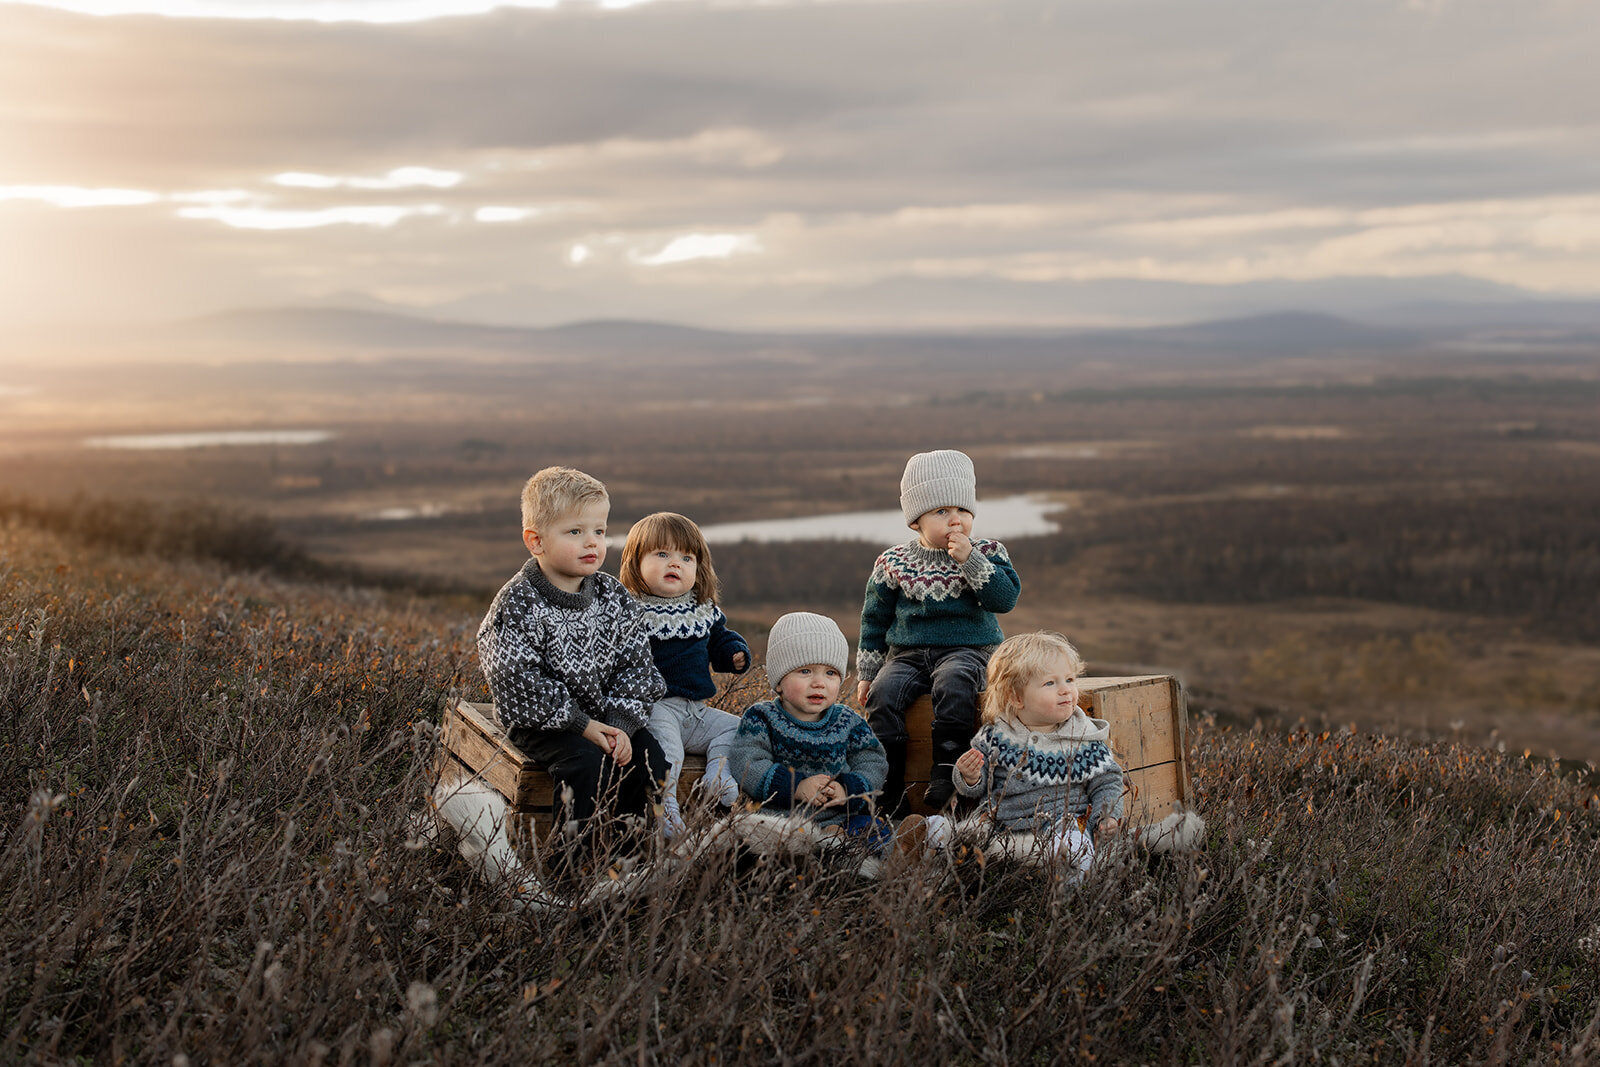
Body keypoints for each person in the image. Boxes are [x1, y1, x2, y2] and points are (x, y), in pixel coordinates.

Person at [476, 466, 667, 860]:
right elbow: (515, 680)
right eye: (575, 532)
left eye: (599, 530)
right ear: (536, 541)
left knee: (649, 759)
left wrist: (620, 726)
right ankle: (571, 866)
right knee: (586, 765)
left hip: (605, 718)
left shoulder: (613, 596)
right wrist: (582, 725)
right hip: (543, 723)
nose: (592, 542)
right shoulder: (518, 602)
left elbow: (637, 667)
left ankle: (625, 860)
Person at [856, 449, 1021, 812]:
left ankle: (947, 771)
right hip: (908, 655)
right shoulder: (893, 562)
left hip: (969, 651)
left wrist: (970, 560)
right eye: (941, 512)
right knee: (884, 693)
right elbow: (874, 620)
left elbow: (1004, 599)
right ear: (916, 521)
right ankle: (888, 785)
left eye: (963, 510)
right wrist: (868, 673)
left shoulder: (988, 552)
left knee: (954, 682)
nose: (955, 520)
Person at [618, 512, 751, 837]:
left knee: (738, 728)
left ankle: (717, 776)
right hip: (656, 708)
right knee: (669, 751)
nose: (675, 563)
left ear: (699, 567)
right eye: (662, 554)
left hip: (696, 712)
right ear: (635, 563)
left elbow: (720, 639)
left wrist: (734, 654)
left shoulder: (702, 610)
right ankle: (666, 810)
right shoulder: (630, 610)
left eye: (686, 557)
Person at [727, 612, 905, 855]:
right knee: (757, 834)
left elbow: (872, 762)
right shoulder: (762, 718)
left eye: (830, 673)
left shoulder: (847, 721)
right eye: (805, 671)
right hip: (782, 818)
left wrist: (847, 790)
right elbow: (747, 762)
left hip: (840, 818)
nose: (819, 682)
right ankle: (828, 852)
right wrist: (797, 786)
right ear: (779, 681)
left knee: (873, 831)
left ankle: (893, 856)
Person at [953, 632, 1123, 879]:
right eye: (1050, 683)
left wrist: (1106, 816)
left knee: (1074, 848)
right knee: (962, 837)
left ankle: (1069, 890)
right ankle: (929, 843)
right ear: (1016, 697)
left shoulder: (1083, 737)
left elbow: (1107, 782)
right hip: (1000, 825)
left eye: (1069, 679)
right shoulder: (995, 735)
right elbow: (977, 787)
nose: (1066, 690)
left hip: (1059, 824)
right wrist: (969, 777)